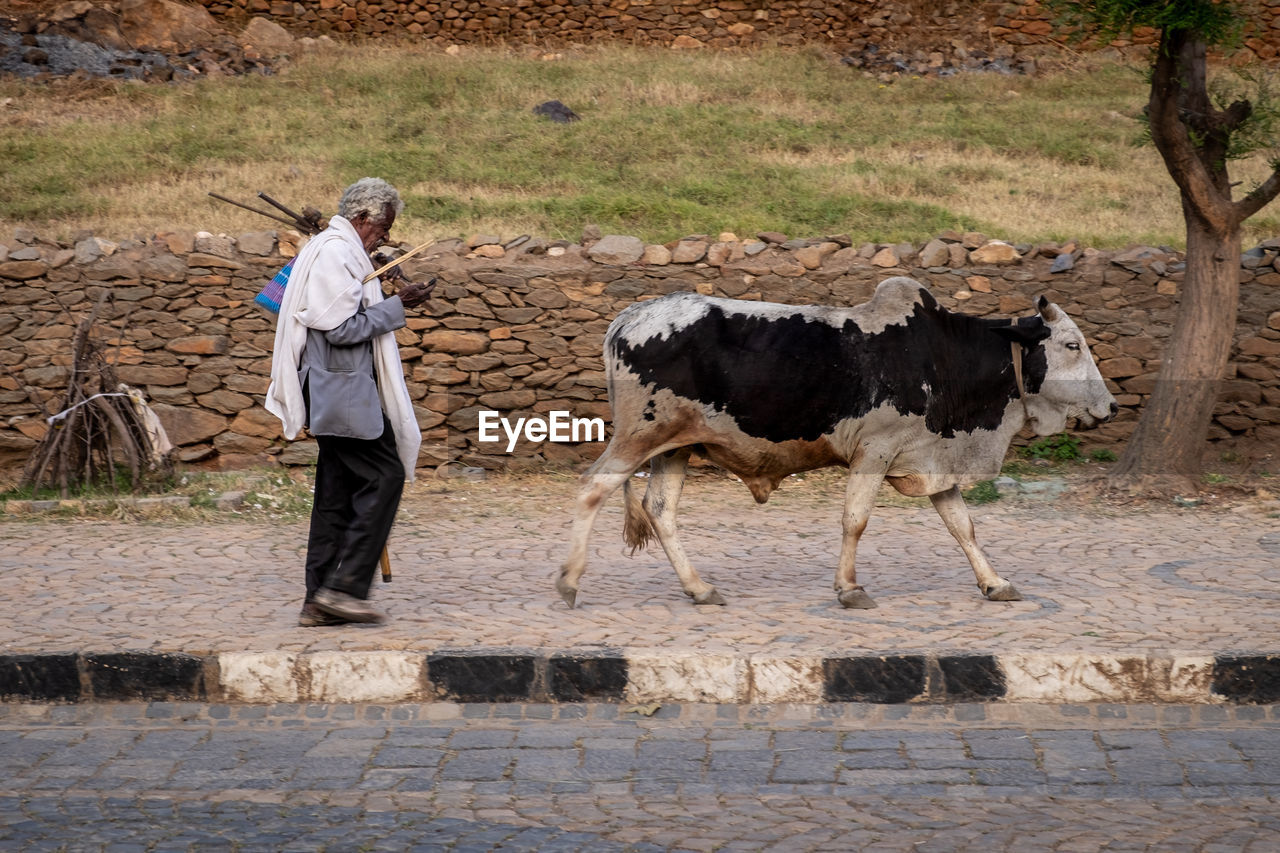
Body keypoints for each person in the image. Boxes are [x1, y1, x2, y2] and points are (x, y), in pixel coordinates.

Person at [265, 177, 434, 626]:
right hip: (339, 392)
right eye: (381, 229)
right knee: (385, 476)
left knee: (336, 497)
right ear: (362, 219)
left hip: (337, 391)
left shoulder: (337, 250)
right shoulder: (335, 252)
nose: (384, 238)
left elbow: (338, 311)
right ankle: (343, 589)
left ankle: (315, 602)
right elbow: (337, 329)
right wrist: (401, 306)